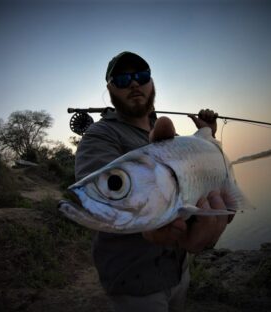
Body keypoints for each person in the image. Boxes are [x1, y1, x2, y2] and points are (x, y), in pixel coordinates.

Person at [74, 51, 233, 312]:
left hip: (179, 269)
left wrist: (207, 135)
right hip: (134, 284)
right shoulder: (99, 135)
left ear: (151, 82)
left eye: (142, 75)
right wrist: (151, 224)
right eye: (123, 79)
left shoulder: (171, 137)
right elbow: (102, 200)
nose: (135, 83)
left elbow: (192, 175)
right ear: (110, 88)